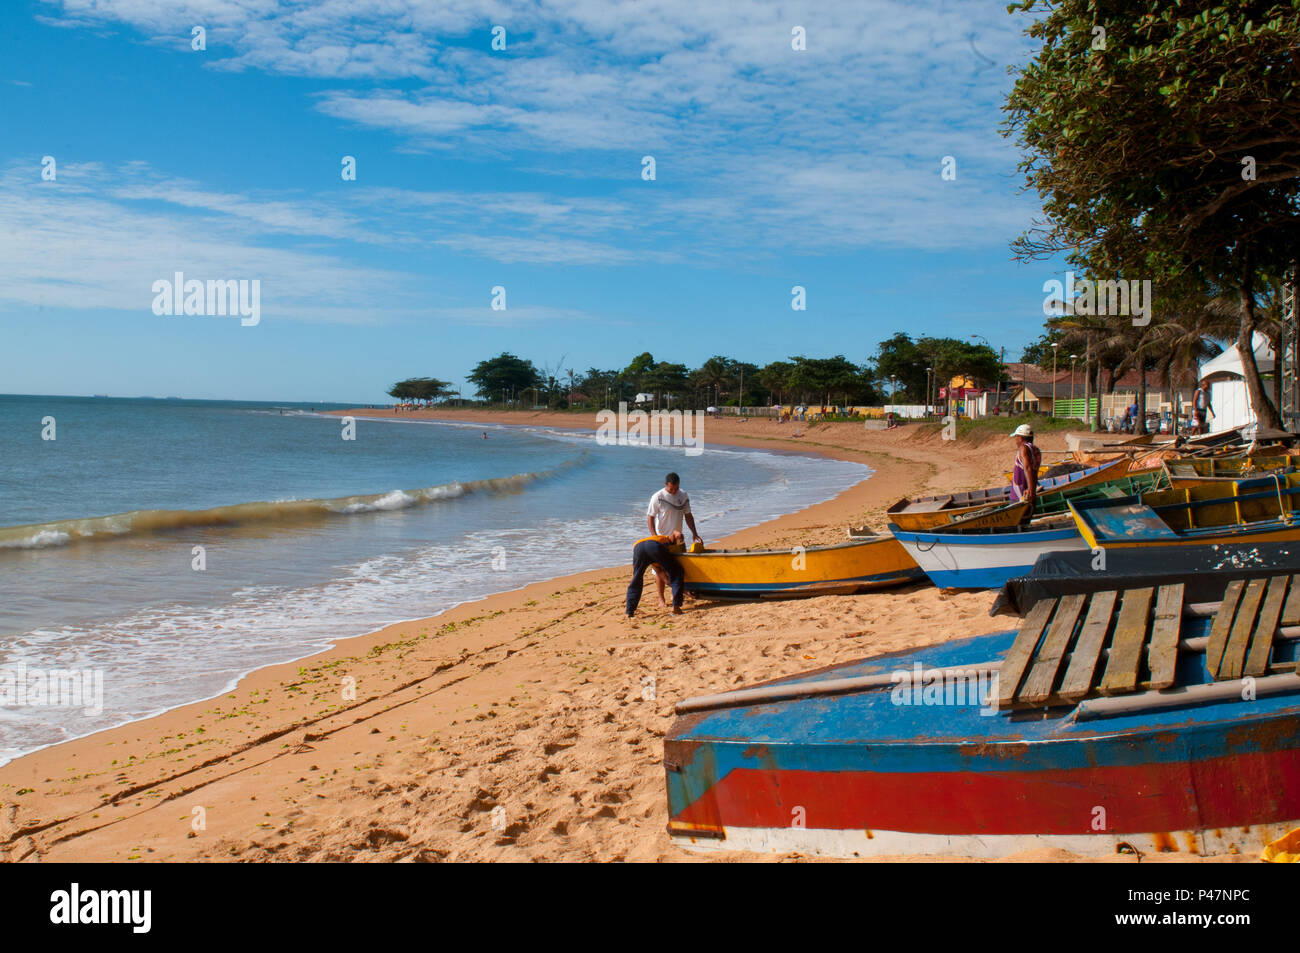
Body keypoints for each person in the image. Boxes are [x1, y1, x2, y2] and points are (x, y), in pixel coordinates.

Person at [626, 530, 685, 618]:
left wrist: (681, 589)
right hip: (653, 546)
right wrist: (680, 537)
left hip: (638, 547)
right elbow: (675, 533)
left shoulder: (655, 550)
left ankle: (629, 612)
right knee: (677, 572)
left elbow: (661, 573)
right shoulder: (667, 539)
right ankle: (676, 607)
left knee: (636, 579)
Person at [646, 472, 702, 545]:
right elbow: (650, 517)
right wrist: (654, 536)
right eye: (671, 489)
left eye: (676, 488)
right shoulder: (658, 497)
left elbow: (688, 515)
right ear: (665, 484)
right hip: (663, 538)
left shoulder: (683, 495)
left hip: (678, 538)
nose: (674, 491)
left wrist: (695, 533)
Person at [1010, 423, 1041, 512]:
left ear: (1020, 438)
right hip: (1031, 496)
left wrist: (1030, 489)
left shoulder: (1023, 448)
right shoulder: (1036, 450)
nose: (1015, 440)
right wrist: (1033, 491)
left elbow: (1027, 468)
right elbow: (1034, 471)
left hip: (1020, 496)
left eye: (1016, 437)